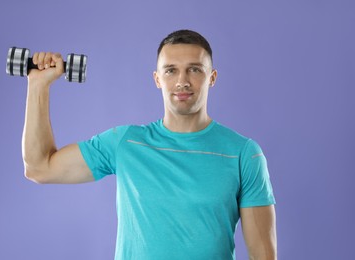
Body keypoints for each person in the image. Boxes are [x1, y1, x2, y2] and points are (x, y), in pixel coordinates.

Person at [22, 29, 277, 260]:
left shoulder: (244, 154)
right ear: (157, 79)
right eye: (171, 70)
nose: (182, 81)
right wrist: (38, 86)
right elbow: (39, 167)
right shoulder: (125, 143)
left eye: (195, 69)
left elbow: (263, 256)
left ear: (212, 77)